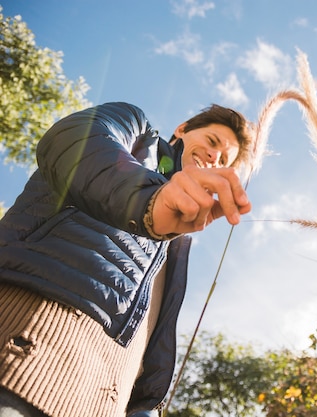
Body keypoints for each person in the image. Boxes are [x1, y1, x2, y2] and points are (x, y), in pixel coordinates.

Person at [0, 102, 253, 417]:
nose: (214, 157)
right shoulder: (138, 133)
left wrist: (145, 408)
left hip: (102, 401)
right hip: (25, 355)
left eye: (224, 159)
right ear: (183, 129)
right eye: (212, 142)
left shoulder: (178, 243)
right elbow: (75, 140)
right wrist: (149, 201)